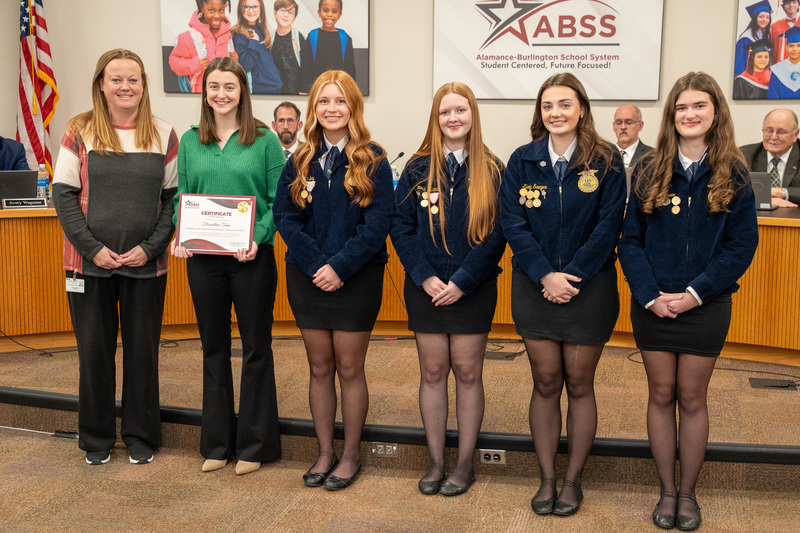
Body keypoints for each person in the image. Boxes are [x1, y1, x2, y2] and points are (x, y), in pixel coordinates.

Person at [617, 72, 759, 531]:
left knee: (692, 397)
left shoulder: (734, 171)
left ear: (715, 112)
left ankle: (688, 494)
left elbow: (741, 246)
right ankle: (665, 491)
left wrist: (695, 294)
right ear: (671, 115)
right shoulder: (648, 168)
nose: (689, 114)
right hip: (653, 304)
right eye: (681, 107)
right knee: (660, 394)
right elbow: (629, 241)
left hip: (707, 304)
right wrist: (649, 295)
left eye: (699, 105)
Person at [500, 73, 626, 517]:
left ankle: (572, 480)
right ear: (540, 113)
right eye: (548, 105)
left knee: (578, 383)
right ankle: (547, 479)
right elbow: (512, 223)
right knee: (545, 381)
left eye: (565, 104)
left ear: (582, 110)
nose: (556, 113)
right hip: (534, 288)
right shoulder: (522, 160)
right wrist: (544, 276)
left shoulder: (606, 160)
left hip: (588, 289)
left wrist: (568, 276)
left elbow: (608, 227)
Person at [52, 49, 179, 466]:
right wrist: (94, 249)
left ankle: (141, 435)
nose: (126, 87)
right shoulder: (80, 130)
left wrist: (149, 247)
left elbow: (172, 200)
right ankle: (96, 437)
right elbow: (63, 196)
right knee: (95, 352)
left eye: (134, 80)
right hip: (89, 266)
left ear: (144, 85)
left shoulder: (163, 133)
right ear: (101, 85)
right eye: (116, 79)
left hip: (147, 265)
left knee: (143, 352)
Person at [273, 70, 393, 491]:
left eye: (340, 101)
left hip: (356, 278)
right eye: (324, 101)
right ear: (314, 109)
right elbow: (285, 218)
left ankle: (350, 455)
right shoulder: (299, 158)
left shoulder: (373, 159)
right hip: (307, 277)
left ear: (353, 108)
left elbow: (377, 224)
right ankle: (324, 452)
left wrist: (339, 267)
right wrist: (316, 265)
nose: (331, 109)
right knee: (319, 367)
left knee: (348, 367)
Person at [390, 82, 505, 497]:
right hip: (426, 288)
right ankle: (436, 462)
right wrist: (423, 275)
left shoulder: (493, 168)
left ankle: (464, 464)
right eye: (445, 112)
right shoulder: (418, 168)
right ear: (435, 118)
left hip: (472, 289)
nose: (453, 118)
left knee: (469, 373)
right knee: (433, 372)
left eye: (461, 111)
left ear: (473, 115)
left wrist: (462, 281)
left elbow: (497, 234)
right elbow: (400, 226)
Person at [171, 57, 284, 475]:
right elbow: (183, 197)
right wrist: (178, 234)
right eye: (214, 86)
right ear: (204, 91)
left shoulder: (265, 141)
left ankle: (255, 446)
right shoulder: (188, 140)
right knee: (213, 347)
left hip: (252, 259)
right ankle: (217, 443)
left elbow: (279, 203)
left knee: (256, 348)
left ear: (243, 93)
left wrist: (258, 238)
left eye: (230, 87)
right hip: (203, 262)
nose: (221, 94)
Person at [169, 0, 238, 93]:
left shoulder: (229, 35)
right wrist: (193, 65)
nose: (217, 15)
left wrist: (235, 60)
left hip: (225, 93)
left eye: (221, 10)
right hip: (201, 94)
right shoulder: (188, 37)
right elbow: (174, 62)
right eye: (211, 10)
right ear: (201, 8)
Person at [740, 108, 800, 207]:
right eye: (769, 130)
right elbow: (730, 190)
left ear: (795, 134)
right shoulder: (744, 155)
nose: (773, 137)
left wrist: (782, 192)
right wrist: (764, 200)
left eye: (781, 132)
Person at [303, 0, 357, 91]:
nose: (330, 14)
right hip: (317, 89)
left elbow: (350, 68)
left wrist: (351, 90)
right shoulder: (312, 35)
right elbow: (306, 66)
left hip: (339, 89)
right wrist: (305, 90)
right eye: (326, 10)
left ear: (339, 15)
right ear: (319, 12)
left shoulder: (345, 37)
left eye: (334, 11)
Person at [231, 0, 282, 94]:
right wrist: (254, 41)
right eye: (246, 7)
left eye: (255, 7)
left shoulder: (262, 29)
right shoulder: (239, 33)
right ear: (240, 9)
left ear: (261, 8)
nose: (251, 11)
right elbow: (245, 65)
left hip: (275, 86)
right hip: (259, 89)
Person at [271, 0, 306, 94]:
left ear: (294, 18)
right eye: (282, 10)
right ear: (275, 12)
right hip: (275, 92)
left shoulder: (299, 38)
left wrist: (304, 91)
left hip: (296, 92)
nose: (286, 15)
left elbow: (306, 67)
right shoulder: (269, 38)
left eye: (290, 12)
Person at [734, 0, 772, 76]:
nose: (764, 19)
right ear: (755, 18)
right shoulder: (746, 38)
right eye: (761, 17)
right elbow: (740, 63)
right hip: (748, 79)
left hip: (763, 78)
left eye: (767, 17)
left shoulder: (766, 36)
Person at [612, 104, 651, 169]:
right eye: (619, 123)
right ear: (613, 127)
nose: (623, 127)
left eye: (629, 123)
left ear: (640, 126)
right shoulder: (603, 156)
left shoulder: (653, 156)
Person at [768, 26, 800, 97]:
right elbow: (773, 96)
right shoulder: (778, 70)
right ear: (786, 48)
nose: (795, 49)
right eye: (791, 46)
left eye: (799, 46)